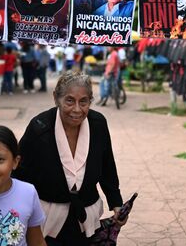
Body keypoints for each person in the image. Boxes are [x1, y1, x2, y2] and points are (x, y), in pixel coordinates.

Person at [12, 71, 126, 245]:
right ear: (56, 98)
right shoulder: (39, 127)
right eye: (70, 100)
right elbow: (19, 174)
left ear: (90, 101)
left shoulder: (98, 124)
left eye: (84, 101)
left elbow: (107, 166)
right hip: (47, 219)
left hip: (87, 217)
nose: (77, 109)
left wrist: (117, 203)